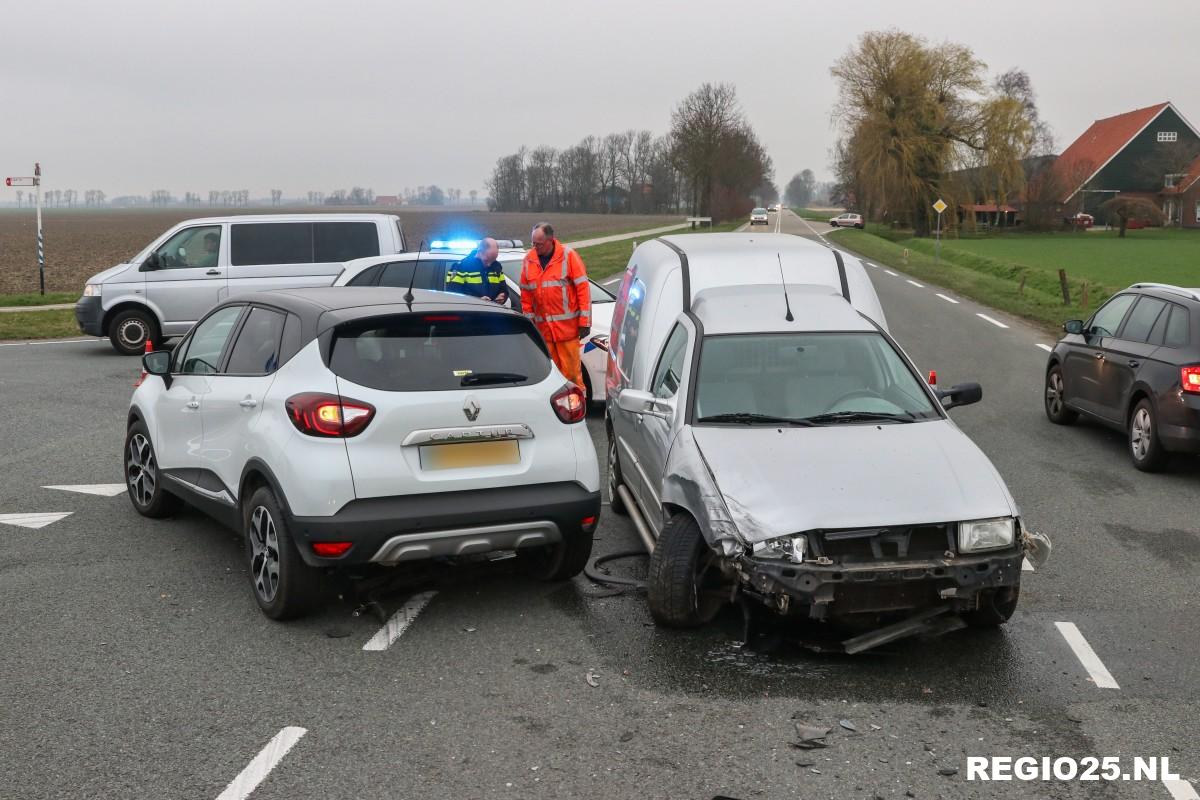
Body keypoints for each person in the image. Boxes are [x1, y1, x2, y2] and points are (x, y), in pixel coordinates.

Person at [520, 222, 591, 388]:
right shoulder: (529, 260)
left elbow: (583, 290)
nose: (535, 247)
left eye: (539, 244)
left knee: (572, 377)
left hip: (567, 332)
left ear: (551, 240)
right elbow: (525, 295)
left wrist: (584, 322)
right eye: (533, 243)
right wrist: (530, 324)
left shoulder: (568, 256)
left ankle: (577, 411)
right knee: (550, 379)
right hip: (544, 333)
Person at [445, 237, 508, 303]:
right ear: (480, 252)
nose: (489, 265)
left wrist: (503, 296)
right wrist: (477, 301)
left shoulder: (496, 267)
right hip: (471, 312)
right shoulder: (461, 267)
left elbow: (504, 289)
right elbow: (453, 295)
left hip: (493, 311)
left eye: (493, 260)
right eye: (487, 260)